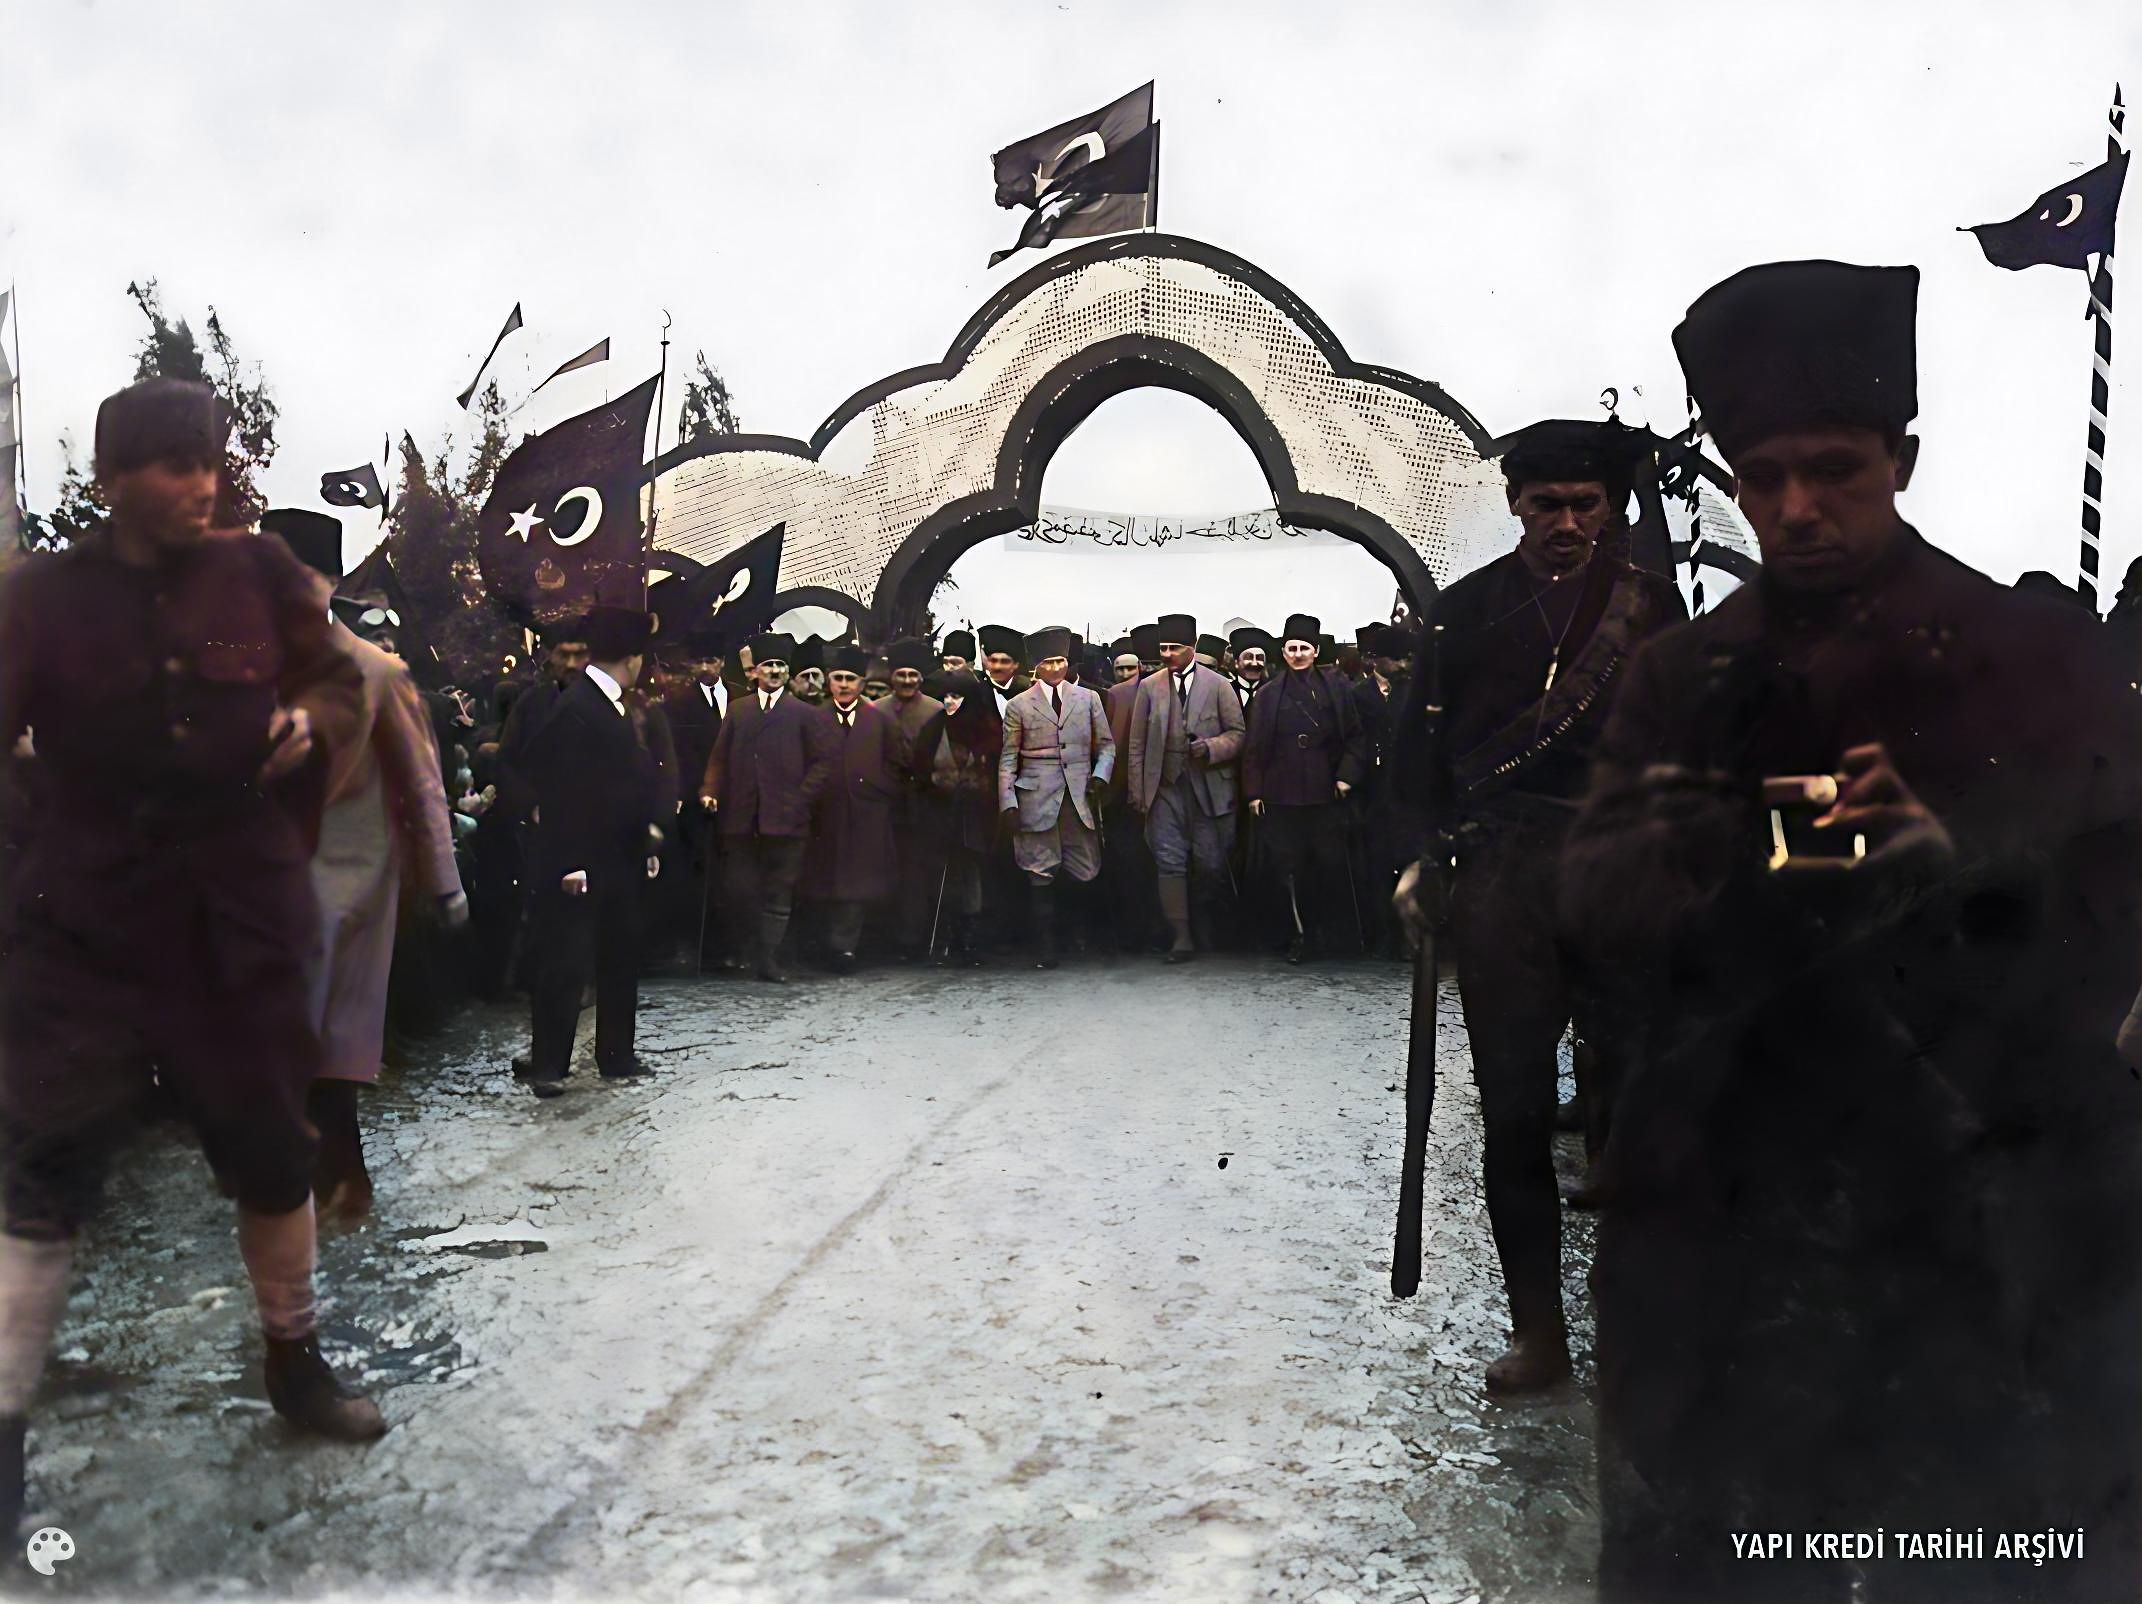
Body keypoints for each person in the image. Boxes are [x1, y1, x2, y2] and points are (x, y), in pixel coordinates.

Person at [1556, 259, 2142, 1602]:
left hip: (1975, 1220)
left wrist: (1946, 856)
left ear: (1902, 460)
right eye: (1761, 479)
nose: (1795, 510)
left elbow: (2112, 918)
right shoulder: (1682, 674)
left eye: (1834, 471)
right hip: (1727, 1217)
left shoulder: (2032, 660)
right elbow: (1592, 903)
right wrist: (1727, 850)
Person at [0, 379, 385, 1523]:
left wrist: (307, 721)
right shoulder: (41, 598)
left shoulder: (259, 572)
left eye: (210, 461)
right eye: (175, 464)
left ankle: (295, 1360)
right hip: (87, 933)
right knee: (41, 1171)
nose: (202, 484)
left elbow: (334, 678)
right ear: (110, 478)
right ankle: (5, 1429)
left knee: (272, 1147)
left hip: (237, 928)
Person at [1389, 416, 1686, 1396]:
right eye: (1546, 504)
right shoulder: (1464, 611)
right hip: (1504, 878)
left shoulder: (1652, 607)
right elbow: (1419, 755)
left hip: (1621, 873)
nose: (1566, 523)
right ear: (1515, 504)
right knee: (1513, 1114)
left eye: (1585, 505)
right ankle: (1539, 1334)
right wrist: (1422, 857)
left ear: (1608, 508)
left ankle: (1638, 1323)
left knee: (1637, 1112)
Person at [269, 512, 467, 1215]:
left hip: (349, 884)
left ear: (331, 582)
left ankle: (340, 1184)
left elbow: (421, 782)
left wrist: (444, 882)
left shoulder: (378, 674)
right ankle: (317, 1184)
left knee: (326, 1044)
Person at [518, 605, 665, 1097]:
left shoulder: (607, 704)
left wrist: (643, 843)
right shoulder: (579, 708)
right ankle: (548, 1066)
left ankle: (616, 1055)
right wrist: (570, 863)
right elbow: (561, 791)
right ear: (632, 657)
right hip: (581, 861)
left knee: (620, 956)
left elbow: (623, 787)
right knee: (566, 962)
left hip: (618, 856)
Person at [700, 633, 832, 982]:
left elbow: (822, 764)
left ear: (787, 673)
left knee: (779, 890)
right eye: (768, 665)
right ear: (755, 671)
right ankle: (745, 951)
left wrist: (800, 798)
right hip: (742, 816)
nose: (774, 671)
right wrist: (710, 790)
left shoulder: (803, 713)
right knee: (740, 888)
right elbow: (718, 757)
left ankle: (769, 959)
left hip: (786, 819)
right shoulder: (738, 710)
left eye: (780, 666)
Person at [1241, 614, 1367, 962]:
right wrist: (1254, 792)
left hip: (1325, 789)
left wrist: (1346, 776)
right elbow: (1254, 747)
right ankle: (1300, 936)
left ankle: (1330, 934)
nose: (1298, 655)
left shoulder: (1337, 690)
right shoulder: (1268, 695)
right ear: (1283, 653)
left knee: (1328, 864)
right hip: (1281, 792)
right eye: (1292, 648)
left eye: (1304, 648)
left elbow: (1356, 738)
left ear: (1315, 652)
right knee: (1289, 866)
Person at [1126, 612, 1247, 962]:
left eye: (1174, 648)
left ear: (1192, 647)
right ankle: (1181, 937)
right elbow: (1136, 744)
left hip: (1208, 791)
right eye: (1163, 648)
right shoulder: (1149, 687)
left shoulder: (1219, 685)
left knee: (1210, 862)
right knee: (1169, 861)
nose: (1166, 654)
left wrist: (1210, 747)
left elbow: (1238, 735)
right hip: (1165, 788)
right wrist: (1138, 791)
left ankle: (1206, 923)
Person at [997, 626, 1114, 968]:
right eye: (1047, 662)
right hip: (1036, 797)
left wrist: (1100, 776)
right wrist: (1008, 801)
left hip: (1079, 798)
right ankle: (1046, 946)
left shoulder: (1088, 699)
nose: (1055, 668)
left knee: (1085, 868)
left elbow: (1106, 746)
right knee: (1039, 868)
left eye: (1060, 661)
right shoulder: (1019, 705)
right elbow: (1008, 758)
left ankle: (1078, 936)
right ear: (1035, 666)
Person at [802, 646, 899, 971]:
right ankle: (822, 945)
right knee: (824, 878)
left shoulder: (879, 720)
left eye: (850, 679)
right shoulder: (813, 718)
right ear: (829, 681)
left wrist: (877, 789)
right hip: (824, 815)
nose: (843, 685)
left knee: (856, 883)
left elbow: (896, 764)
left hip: (865, 815)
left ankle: (846, 948)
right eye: (838, 678)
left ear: (862, 683)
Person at [907, 670, 1002, 965]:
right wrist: (937, 787)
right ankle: (943, 938)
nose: (949, 702)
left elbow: (998, 770)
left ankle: (970, 940)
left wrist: (978, 788)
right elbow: (919, 770)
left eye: (956, 696)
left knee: (972, 875)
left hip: (976, 815)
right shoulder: (934, 728)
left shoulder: (987, 729)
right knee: (941, 875)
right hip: (940, 813)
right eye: (945, 696)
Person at [879, 639, 945, 959]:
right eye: (901, 674)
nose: (907, 680)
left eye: (913, 675)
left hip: (926, 802)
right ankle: (887, 939)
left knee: (919, 871)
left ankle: (915, 939)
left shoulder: (936, 710)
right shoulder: (875, 711)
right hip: (887, 801)